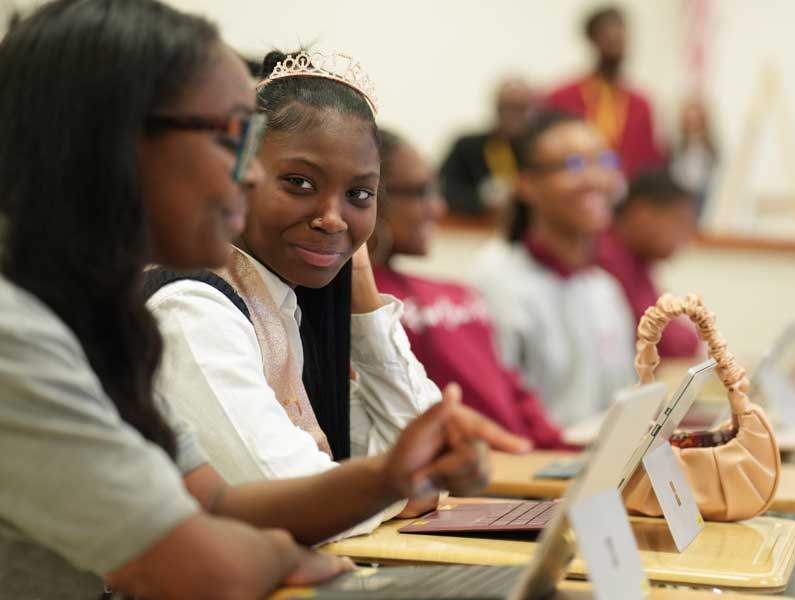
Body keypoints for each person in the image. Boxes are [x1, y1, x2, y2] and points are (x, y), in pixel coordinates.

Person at [0, 2, 523, 598]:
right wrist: (273, 550)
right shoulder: (17, 331)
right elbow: (194, 561)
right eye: (231, 137)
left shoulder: (101, 318)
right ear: (111, 142)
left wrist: (389, 474)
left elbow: (218, 502)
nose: (249, 177)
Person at [146, 49, 522, 536]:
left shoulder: (287, 303)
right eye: (299, 182)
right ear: (238, 175)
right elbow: (290, 499)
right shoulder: (190, 308)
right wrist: (398, 489)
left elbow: (425, 456)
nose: (333, 217)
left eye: (359, 195)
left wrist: (364, 302)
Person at [371, 129, 570, 450]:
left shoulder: (458, 291)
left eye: (434, 191)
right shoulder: (367, 308)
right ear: (366, 193)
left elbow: (513, 390)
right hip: (475, 478)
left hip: (523, 469)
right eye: (419, 192)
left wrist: (560, 451)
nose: (437, 209)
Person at [473, 111, 636, 428]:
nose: (595, 179)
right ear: (527, 184)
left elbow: (624, 404)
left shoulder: (604, 288)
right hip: (529, 469)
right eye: (573, 165)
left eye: (604, 162)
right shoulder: (494, 281)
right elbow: (495, 413)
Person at [545, 5, 662, 179]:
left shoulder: (641, 104)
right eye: (607, 32)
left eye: (620, 31)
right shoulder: (563, 97)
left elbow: (650, 163)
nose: (616, 37)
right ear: (592, 39)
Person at [597, 168, 701, 359]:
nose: (684, 238)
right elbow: (664, 341)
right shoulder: (606, 256)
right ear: (642, 213)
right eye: (678, 222)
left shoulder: (637, 259)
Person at [439, 77, 537, 216]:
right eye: (506, 107)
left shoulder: (540, 150)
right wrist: (482, 200)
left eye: (519, 108)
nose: (512, 115)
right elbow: (444, 188)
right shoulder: (468, 147)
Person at [670, 98, 718, 215]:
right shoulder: (677, 146)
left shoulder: (710, 148)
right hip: (679, 196)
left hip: (701, 196)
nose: (693, 124)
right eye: (689, 121)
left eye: (696, 121)